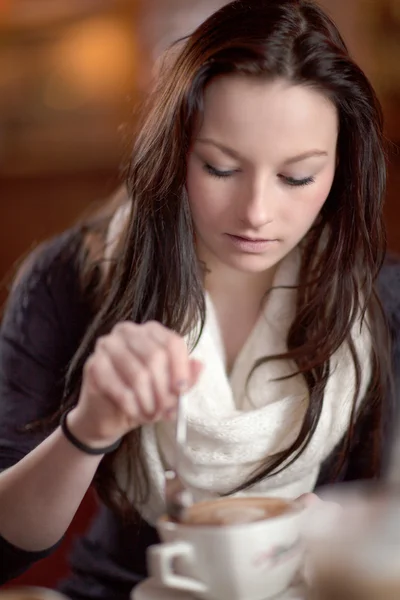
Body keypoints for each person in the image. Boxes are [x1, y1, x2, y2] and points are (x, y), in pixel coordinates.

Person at [0, 0, 399, 598]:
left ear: (341, 171)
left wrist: (346, 531)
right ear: (176, 153)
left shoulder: (381, 301)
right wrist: (89, 428)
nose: (257, 213)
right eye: (219, 168)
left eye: (297, 177)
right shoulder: (70, 278)